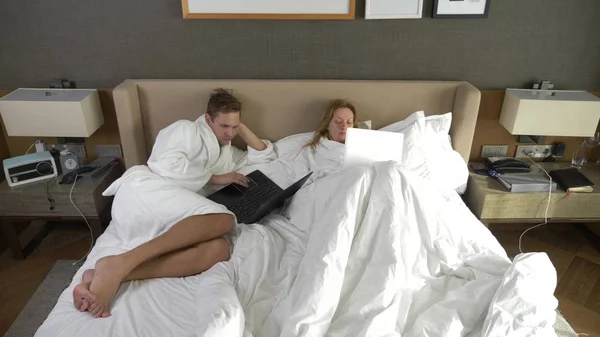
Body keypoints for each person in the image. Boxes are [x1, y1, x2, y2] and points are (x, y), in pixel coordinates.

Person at [73, 88, 275, 318]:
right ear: (208, 119)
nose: (230, 133)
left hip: (173, 207)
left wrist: (240, 127)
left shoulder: (226, 151)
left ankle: (110, 271)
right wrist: (216, 178)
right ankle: (121, 263)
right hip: (148, 193)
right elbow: (166, 165)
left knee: (218, 249)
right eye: (224, 126)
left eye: (234, 127)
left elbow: (264, 154)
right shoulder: (185, 130)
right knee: (225, 219)